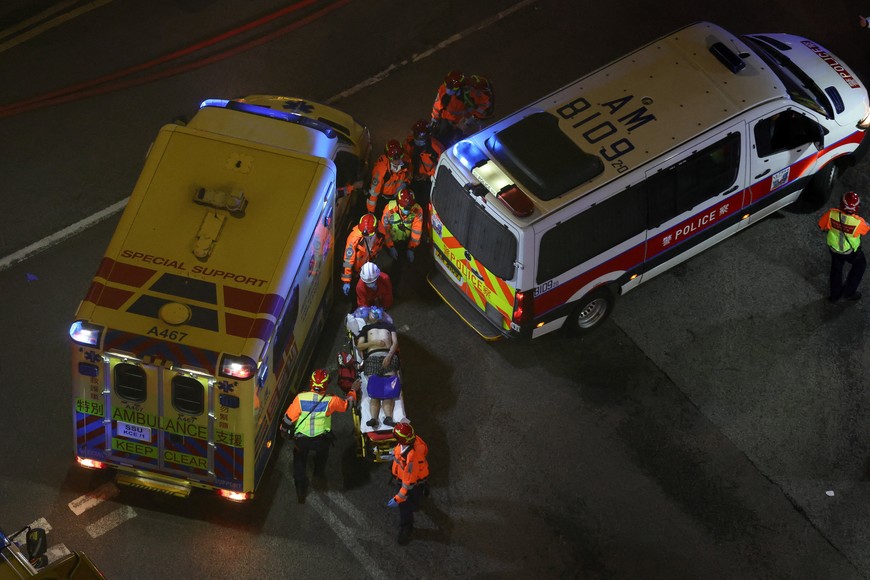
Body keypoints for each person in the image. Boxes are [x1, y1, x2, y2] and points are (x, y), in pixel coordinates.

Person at [282, 369, 357, 503]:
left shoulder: (301, 398)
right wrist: (353, 391)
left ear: (311, 383)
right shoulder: (331, 400)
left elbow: (288, 420)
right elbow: (348, 405)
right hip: (321, 440)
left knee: (299, 462)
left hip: (302, 440)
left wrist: (284, 431)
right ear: (326, 385)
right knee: (322, 456)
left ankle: (300, 490)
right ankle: (318, 475)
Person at [818, 191, 870, 302]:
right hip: (850, 252)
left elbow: (821, 226)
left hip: (834, 249)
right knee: (860, 265)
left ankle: (834, 295)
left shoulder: (831, 214)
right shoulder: (858, 222)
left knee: (836, 269)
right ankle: (849, 292)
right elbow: (866, 229)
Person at [387, 421, 430, 546]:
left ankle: (407, 528)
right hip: (418, 479)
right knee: (416, 499)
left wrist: (399, 497)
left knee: (404, 506)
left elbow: (408, 481)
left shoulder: (411, 456)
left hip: (410, 483)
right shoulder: (413, 440)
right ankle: (421, 494)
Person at [356, 306, 399, 428]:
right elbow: (360, 346)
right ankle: (374, 418)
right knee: (375, 391)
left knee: (389, 390)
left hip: (388, 355)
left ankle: (388, 418)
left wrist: (389, 356)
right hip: (373, 357)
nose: (372, 315)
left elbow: (395, 342)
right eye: (370, 313)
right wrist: (374, 343)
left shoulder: (389, 327)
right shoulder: (366, 329)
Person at [379, 190, 424, 290]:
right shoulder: (389, 210)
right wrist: (390, 247)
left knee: (402, 265)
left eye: (409, 208)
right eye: (405, 208)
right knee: (390, 265)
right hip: (391, 242)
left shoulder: (417, 210)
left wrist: (411, 248)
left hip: (405, 241)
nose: (407, 210)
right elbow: (384, 230)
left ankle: (398, 287)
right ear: (399, 204)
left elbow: (417, 231)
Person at [404, 120, 444, 227]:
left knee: (425, 204)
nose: (417, 141)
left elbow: (441, 168)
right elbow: (406, 158)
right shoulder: (409, 142)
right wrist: (409, 172)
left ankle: (424, 225)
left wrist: (428, 174)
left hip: (427, 181)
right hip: (413, 179)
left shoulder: (436, 148)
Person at [342, 214, 385, 306]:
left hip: (370, 265)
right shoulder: (354, 238)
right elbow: (348, 260)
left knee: (368, 290)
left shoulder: (381, 231)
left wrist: (391, 246)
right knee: (357, 291)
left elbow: (381, 243)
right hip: (356, 270)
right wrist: (346, 281)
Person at [366, 140, 412, 216]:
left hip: (397, 194)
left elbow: (408, 175)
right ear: (388, 157)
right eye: (394, 159)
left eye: (399, 157)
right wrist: (371, 213)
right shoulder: (380, 171)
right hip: (384, 197)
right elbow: (373, 194)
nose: (397, 161)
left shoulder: (406, 162)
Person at [429, 70, 471, 147]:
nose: (448, 88)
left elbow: (468, 114)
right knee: (436, 138)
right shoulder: (443, 88)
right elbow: (437, 104)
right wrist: (434, 118)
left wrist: (460, 128)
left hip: (455, 125)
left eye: (451, 86)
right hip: (442, 119)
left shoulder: (464, 98)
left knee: (447, 142)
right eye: (447, 84)